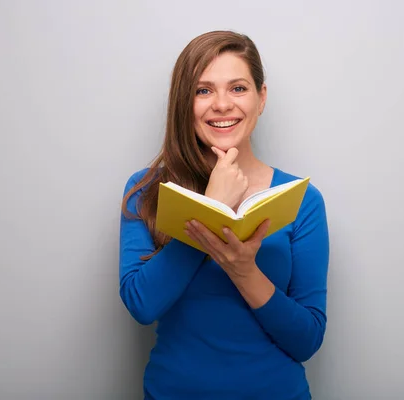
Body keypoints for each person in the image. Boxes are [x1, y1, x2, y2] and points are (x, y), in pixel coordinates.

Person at [119, 30, 330, 400]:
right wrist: (211, 208)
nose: (221, 104)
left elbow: (307, 340)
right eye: (203, 90)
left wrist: (243, 269)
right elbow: (141, 304)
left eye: (238, 88)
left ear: (261, 98)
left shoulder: (303, 200)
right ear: (184, 102)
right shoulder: (147, 190)